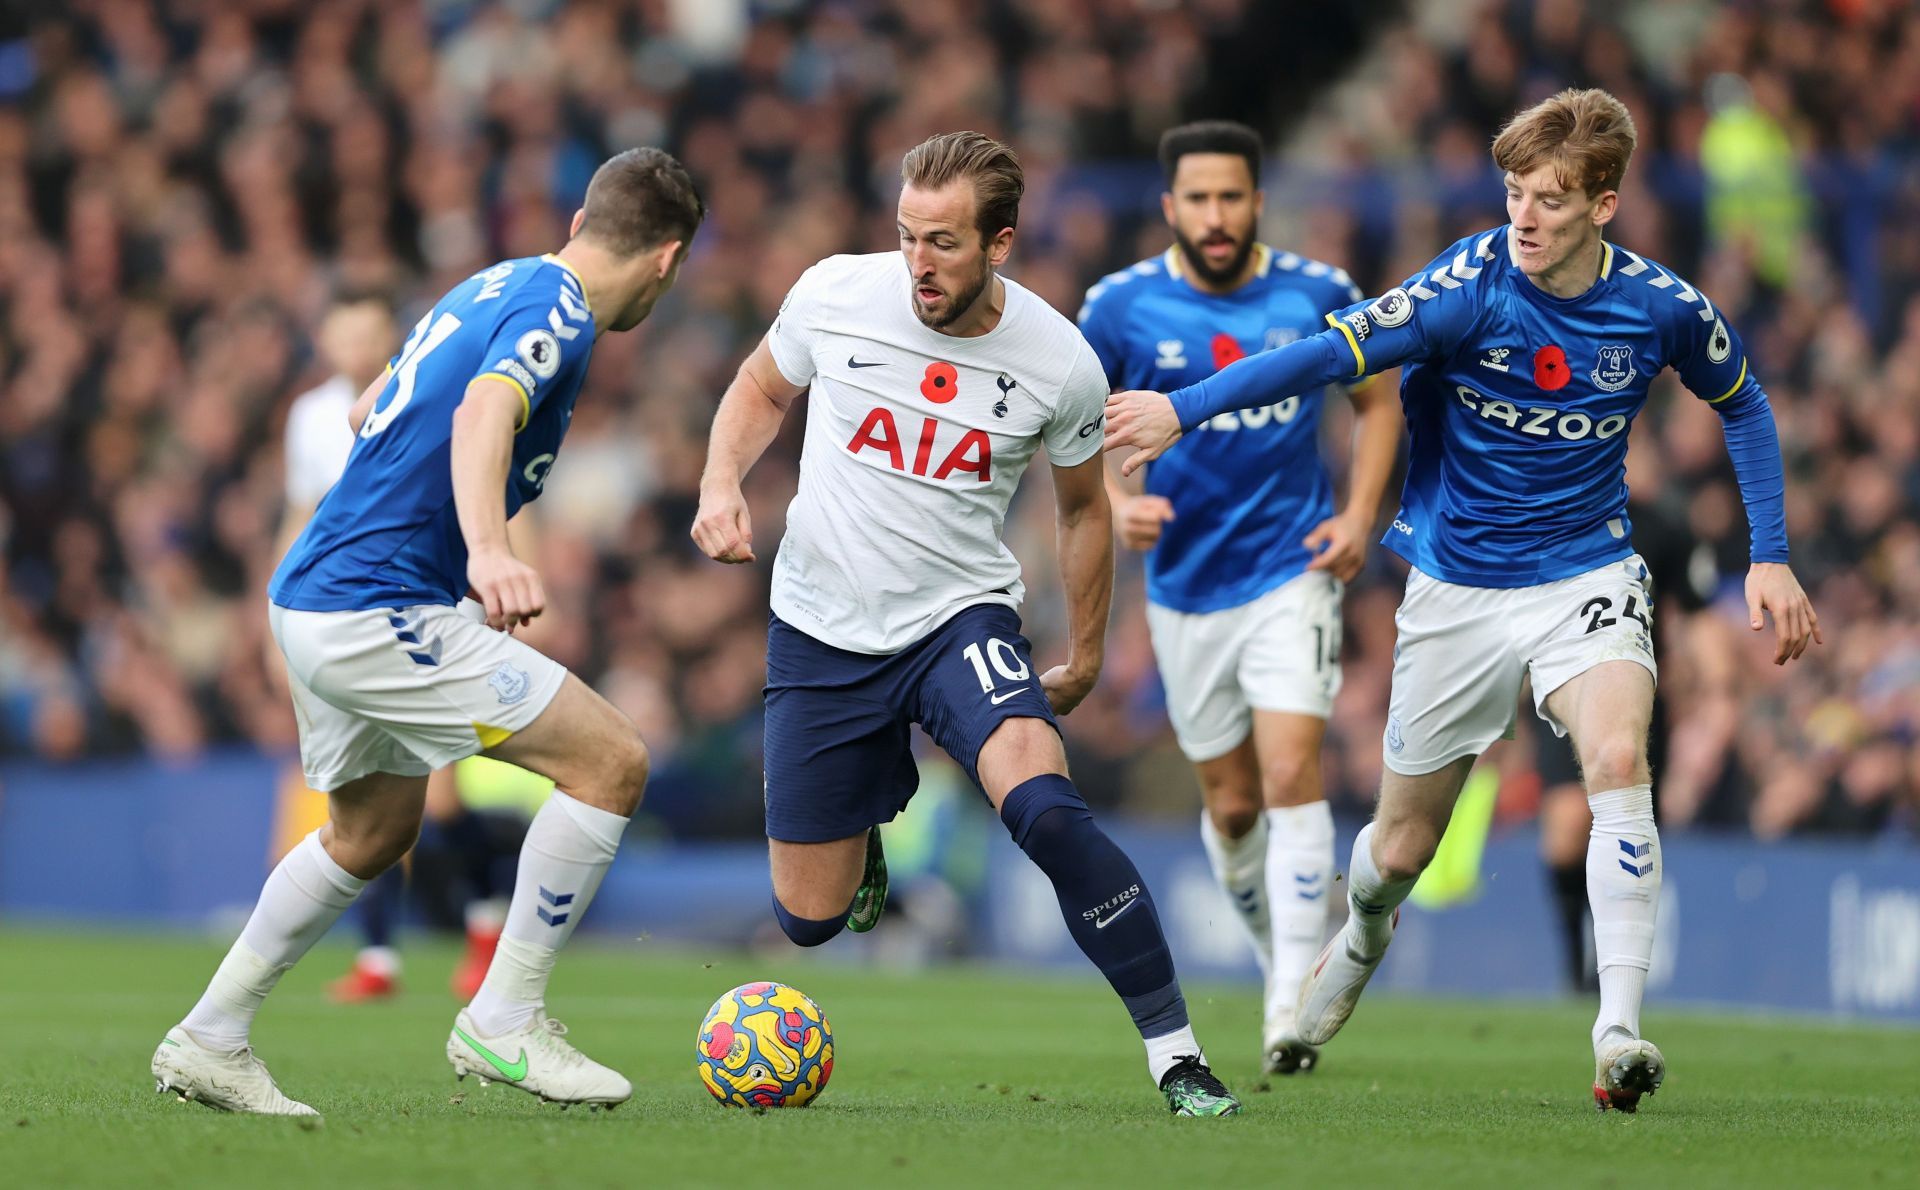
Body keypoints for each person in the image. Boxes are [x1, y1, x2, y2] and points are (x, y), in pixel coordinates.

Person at [1103, 89, 1821, 1113]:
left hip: (1587, 570)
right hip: (1459, 593)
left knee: (1618, 756)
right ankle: (1357, 941)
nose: (1525, 218)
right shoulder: (1465, 289)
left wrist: (1773, 553)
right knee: (1397, 855)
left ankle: (1618, 1025)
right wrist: (1183, 406)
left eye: (1552, 201)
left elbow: (1743, 401)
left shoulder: (1659, 305)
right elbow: (1323, 354)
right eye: (1516, 193)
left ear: (1605, 205)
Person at [693, 131, 1239, 1117]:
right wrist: (720, 484)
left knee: (1044, 805)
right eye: (906, 236)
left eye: (943, 242)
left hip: (959, 619)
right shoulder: (834, 293)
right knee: (809, 921)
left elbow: (1081, 512)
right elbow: (760, 388)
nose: (919, 263)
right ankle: (866, 841)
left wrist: (1083, 650)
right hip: (819, 625)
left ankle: (1177, 1054)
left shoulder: (1058, 359)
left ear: (1002, 241)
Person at [152, 148, 706, 1117]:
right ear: (666, 261)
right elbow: (486, 408)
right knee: (612, 759)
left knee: (373, 829)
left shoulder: (495, 280)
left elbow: (380, 400)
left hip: (314, 593)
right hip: (378, 602)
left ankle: (210, 1034)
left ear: (580, 218)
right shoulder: (563, 313)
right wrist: (490, 548)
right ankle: (506, 1018)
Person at [1077, 120, 1402, 1075]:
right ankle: (1282, 961)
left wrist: (1356, 514)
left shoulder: (1316, 293)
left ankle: (1283, 1010)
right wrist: (1116, 498)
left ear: (1258, 201)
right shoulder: (1120, 307)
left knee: (1294, 768)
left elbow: (1377, 400)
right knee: (1229, 808)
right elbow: (1071, 424)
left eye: (1232, 198)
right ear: (1169, 207)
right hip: (1184, 589)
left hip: (1290, 567)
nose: (1215, 217)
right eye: (1198, 200)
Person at [273, 293, 514, 1006]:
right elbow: (303, 509)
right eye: (343, 330)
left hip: (426, 601)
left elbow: (481, 481)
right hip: (344, 607)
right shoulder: (310, 416)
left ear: (392, 338)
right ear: (324, 336)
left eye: (369, 332)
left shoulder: (429, 388)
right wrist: (278, 608)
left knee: (436, 804)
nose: (355, 345)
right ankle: (379, 957)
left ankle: (486, 921)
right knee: (365, 797)